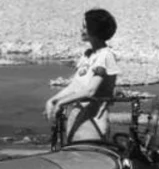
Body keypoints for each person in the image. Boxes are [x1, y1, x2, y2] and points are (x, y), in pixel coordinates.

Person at [45, 8, 119, 143]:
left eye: (85, 27)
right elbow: (75, 85)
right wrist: (53, 100)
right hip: (79, 116)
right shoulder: (88, 55)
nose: (81, 30)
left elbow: (90, 90)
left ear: (95, 30)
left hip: (94, 121)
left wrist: (62, 102)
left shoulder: (105, 56)